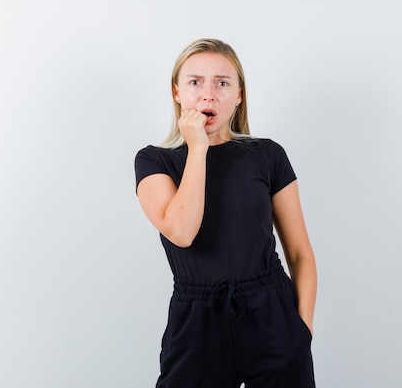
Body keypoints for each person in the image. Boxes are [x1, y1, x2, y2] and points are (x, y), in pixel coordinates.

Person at [134, 38, 317, 388]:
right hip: (196, 324)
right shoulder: (154, 160)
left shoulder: (267, 155)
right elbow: (182, 231)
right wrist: (198, 148)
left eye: (222, 83)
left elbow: (300, 253)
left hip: (272, 317)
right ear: (176, 92)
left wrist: (301, 333)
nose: (208, 94)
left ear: (238, 95)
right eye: (195, 82)